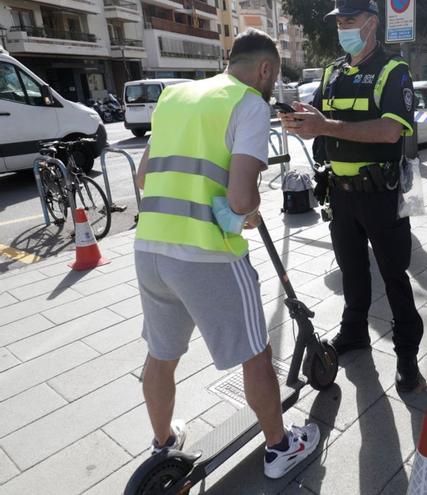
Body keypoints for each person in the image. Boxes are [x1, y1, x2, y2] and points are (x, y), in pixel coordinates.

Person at [134, 28, 319, 479]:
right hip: (209, 255)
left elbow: (142, 178)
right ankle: (280, 449)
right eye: (273, 77)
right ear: (265, 69)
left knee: (162, 354)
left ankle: (164, 442)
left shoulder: (175, 96)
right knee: (256, 351)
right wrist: (248, 213)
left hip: (151, 248)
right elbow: (240, 199)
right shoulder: (250, 104)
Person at [279, 0, 425, 392]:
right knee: (352, 271)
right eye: (338, 20)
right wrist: (305, 120)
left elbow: (391, 131)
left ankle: (407, 355)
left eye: (350, 19)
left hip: (380, 193)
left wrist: (326, 124)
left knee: (395, 275)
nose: (342, 26)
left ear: (372, 23)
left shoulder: (393, 70)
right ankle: (354, 332)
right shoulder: (332, 72)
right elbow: (326, 125)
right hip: (340, 195)